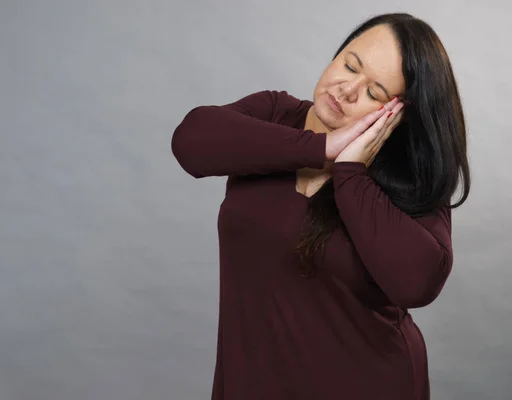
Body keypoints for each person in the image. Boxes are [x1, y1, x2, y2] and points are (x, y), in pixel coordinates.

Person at [170, 12, 470, 400]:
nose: (346, 90)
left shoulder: (409, 178)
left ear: (398, 115)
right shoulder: (276, 115)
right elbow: (190, 142)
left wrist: (350, 172)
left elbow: (419, 283)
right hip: (252, 383)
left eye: (375, 92)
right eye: (349, 64)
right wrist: (320, 148)